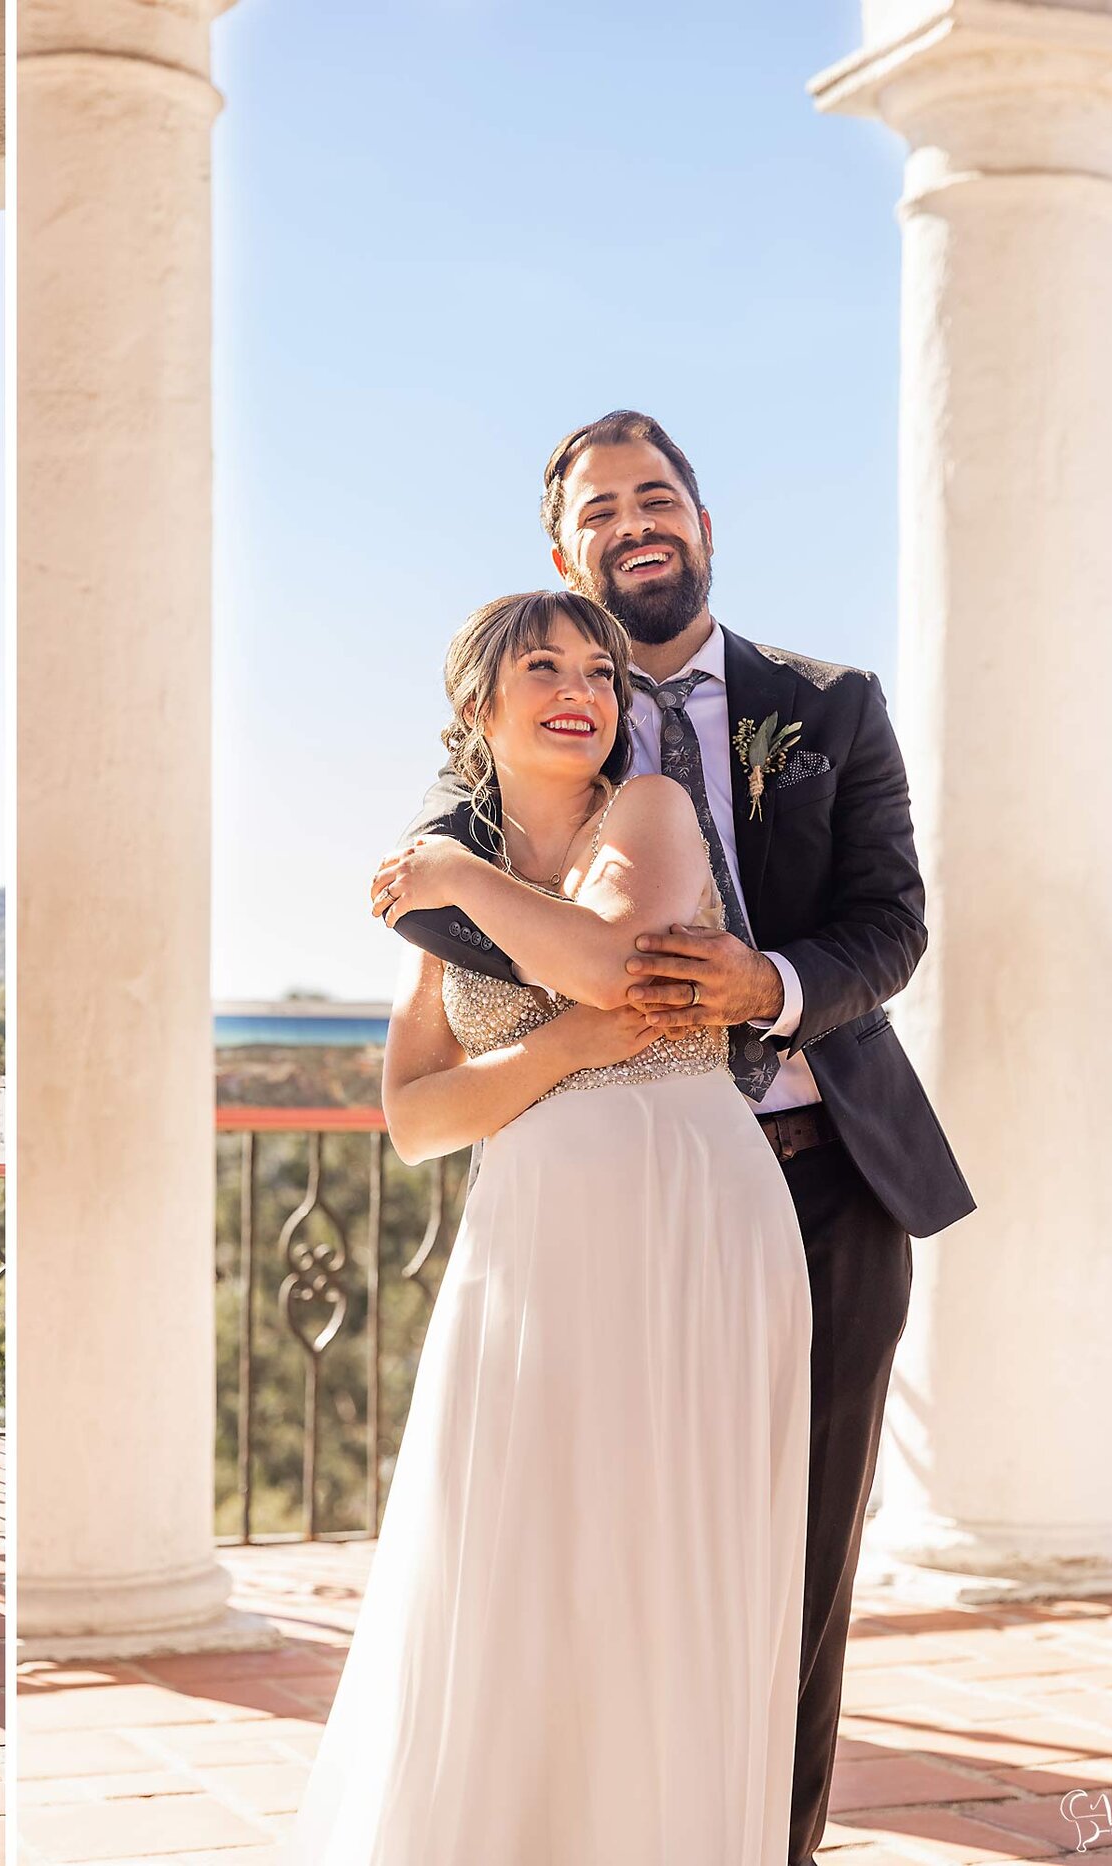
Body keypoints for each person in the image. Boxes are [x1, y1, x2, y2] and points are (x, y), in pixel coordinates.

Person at [372, 411, 973, 1864]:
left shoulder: (828, 705)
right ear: (563, 551)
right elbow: (429, 1057)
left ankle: (773, 1846)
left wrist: (770, 984)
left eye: (660, 496)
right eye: (602, 507)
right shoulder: (489, 789)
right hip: (586, 1207)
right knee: (567, 1554)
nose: (637, 521)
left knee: (789, 1564)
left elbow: (892, 923)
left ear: (702, 521)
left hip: (818, 1172)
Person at [293, 588, 812, 1861]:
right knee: (517, 1551)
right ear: (480, 703)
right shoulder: (441, 901)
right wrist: (567, 1049)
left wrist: (459, 881)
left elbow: (612, 956)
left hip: (685, 1214)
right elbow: (415, 1118)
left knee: (658, 1556)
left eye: (599, 668)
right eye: (544, 666)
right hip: (529, 1243)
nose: (581, 686)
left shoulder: (647, 812)